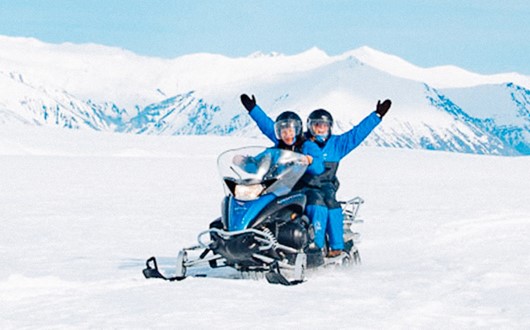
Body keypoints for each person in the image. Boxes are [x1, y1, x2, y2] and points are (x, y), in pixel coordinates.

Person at [243, 93, 391, 257]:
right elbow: (274, 129)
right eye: (316, 125)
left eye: (323, 126)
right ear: (308, 126)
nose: (320, 129)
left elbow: (357, 134)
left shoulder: (337, 144)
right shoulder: (301, 140)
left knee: (326, 202)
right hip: (300, 183)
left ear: (329, 127)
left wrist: (376, 116)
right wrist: (253, 110)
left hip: (325, 184)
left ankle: (329, 246)